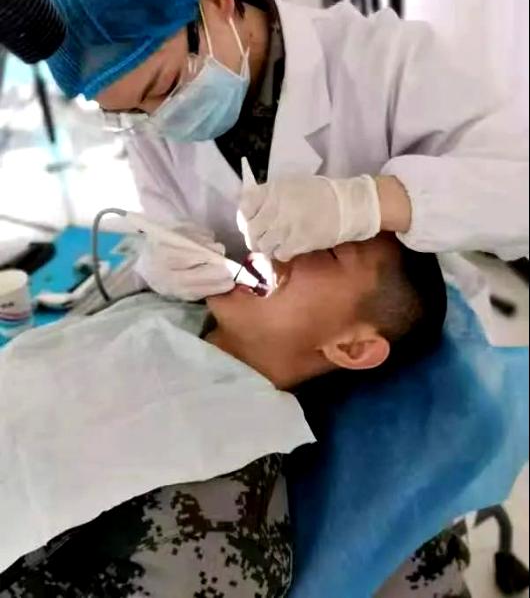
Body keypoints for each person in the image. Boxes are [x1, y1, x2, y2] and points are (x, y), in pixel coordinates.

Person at [34, 0, 528, 304]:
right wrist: (162, 262)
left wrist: (372, 204)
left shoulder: (386, 61)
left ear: (217, 1)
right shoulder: (150, 118)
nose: (161, 118)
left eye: (163, 87)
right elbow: (165, 227)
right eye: (133, 113)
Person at [0, 235, 461, 598]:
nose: (280, 244)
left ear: (353, 347)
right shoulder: (162, 314)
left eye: (328, 252)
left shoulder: (208, 534)